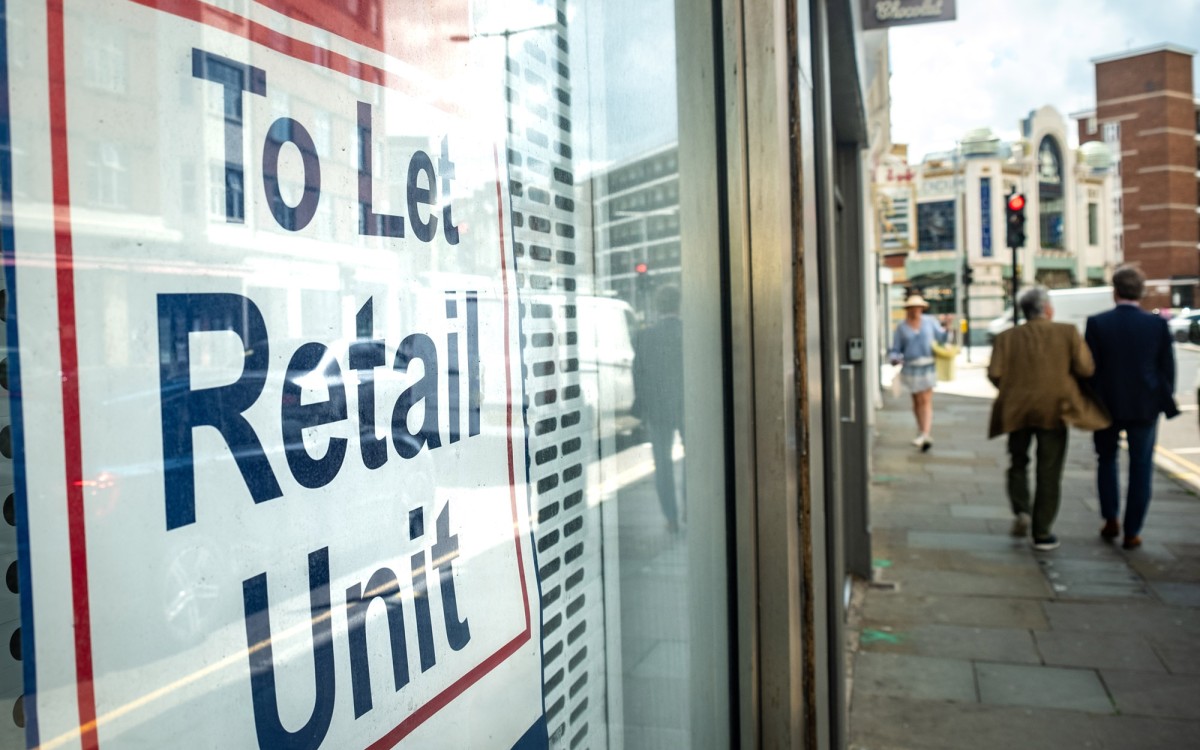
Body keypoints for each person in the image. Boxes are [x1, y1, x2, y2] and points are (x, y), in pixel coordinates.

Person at [988, 286, 1104, 550]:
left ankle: (1021, 510)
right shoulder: (1067, 333)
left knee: (1018, 461)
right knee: (1049, 471)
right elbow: (1086, 368)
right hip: (1055, 410)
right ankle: (1042, 532)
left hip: (1016, 411)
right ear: (1048, 309)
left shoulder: (1006, 337)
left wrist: (1013, 391)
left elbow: (995, 373)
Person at [1085, 265, 1180, 550]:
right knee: (1141, 468)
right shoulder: (1157, 324)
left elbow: (1089, 370)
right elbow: (1167, 369)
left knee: (1106, 460)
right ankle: (1132, 531)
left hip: (1106, 406)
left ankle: (1111, 518)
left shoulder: (1097, 323)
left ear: (1114, 292)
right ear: (1140, 292)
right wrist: (1162, 398)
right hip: (1145, 406)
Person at [633, 285, 684, 533]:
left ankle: (671, 519)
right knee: (692, 461)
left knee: (662, 464)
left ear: (657, 306)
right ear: (679, 304)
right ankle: (692, 513)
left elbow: (638, 377)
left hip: (657, 410)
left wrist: (643, 410)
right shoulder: (687, 334)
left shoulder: (644, 337)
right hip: (686, 408)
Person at [889, 293, 946, 451]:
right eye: (912, 308)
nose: (915, 311)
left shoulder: (930, 322)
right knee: (917, 401)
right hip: (910, 368)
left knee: (926, 399)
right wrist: (894, 359)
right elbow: (895, 349)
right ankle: (921, 429)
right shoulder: (902, 327)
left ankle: (926, 433)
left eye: (918, 308)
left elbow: (941, 338)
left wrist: (947, 328)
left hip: (927, 366)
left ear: (922, 308)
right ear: (908, 309)